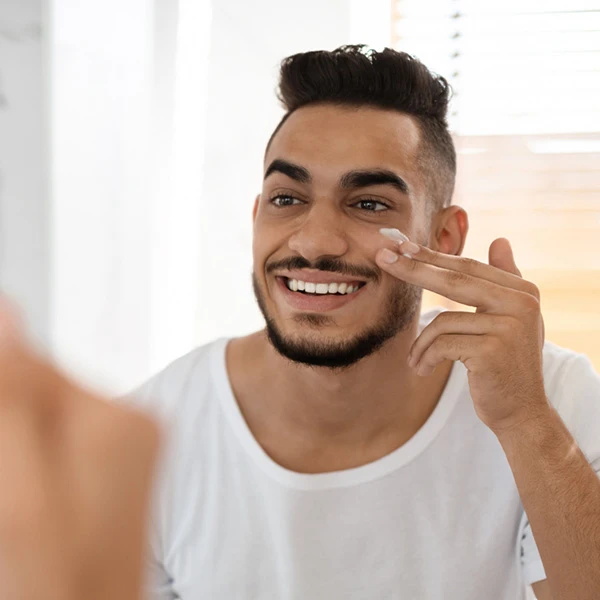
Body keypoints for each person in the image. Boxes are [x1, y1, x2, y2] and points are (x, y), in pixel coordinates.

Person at [1, 45, 599, 600]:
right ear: (258, 215)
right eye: (288, 198)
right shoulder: (151, 436)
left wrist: (525, 421)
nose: (314, 242)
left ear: (443, 238)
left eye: (368, 204)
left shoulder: (549, 402)